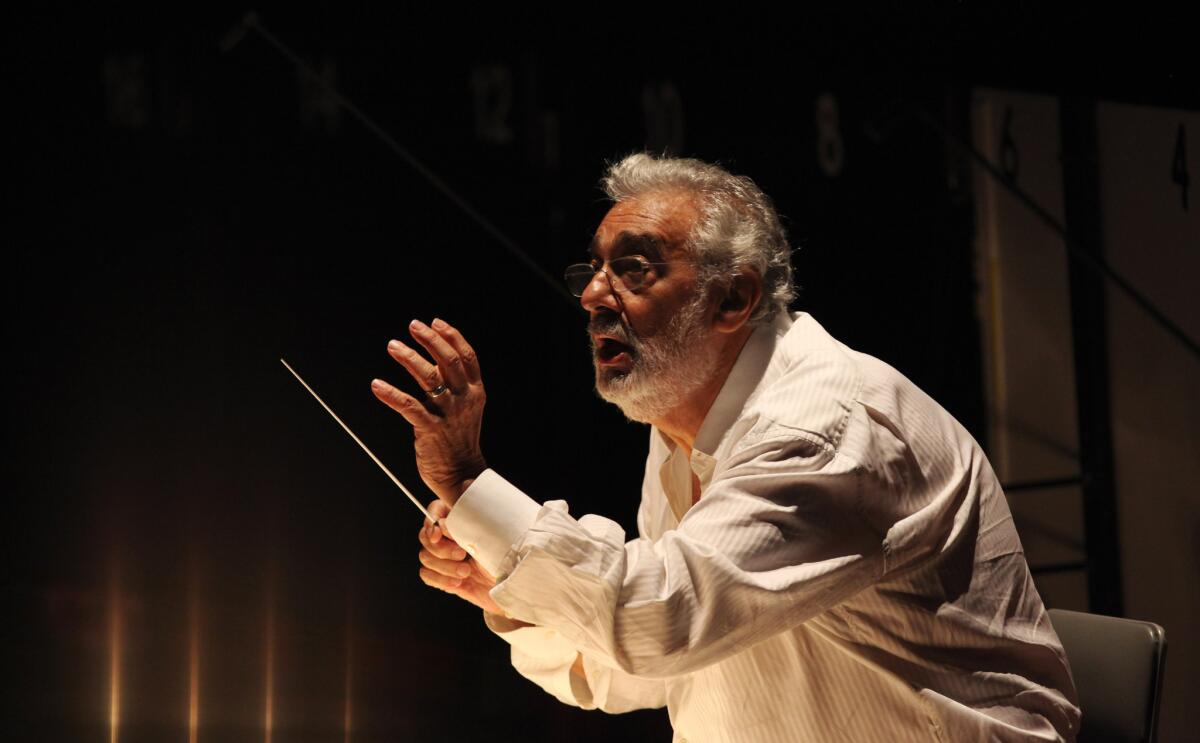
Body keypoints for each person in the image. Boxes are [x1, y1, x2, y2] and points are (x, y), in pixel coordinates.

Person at [370, 154, 1081, 742]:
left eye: (634, 268)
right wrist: (513, 593)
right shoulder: (687, 420)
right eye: (591, 268)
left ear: (733, 299)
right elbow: (658, 668)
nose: (591, 293)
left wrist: (467, 478)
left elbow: (660, 621)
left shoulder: (822, 429)